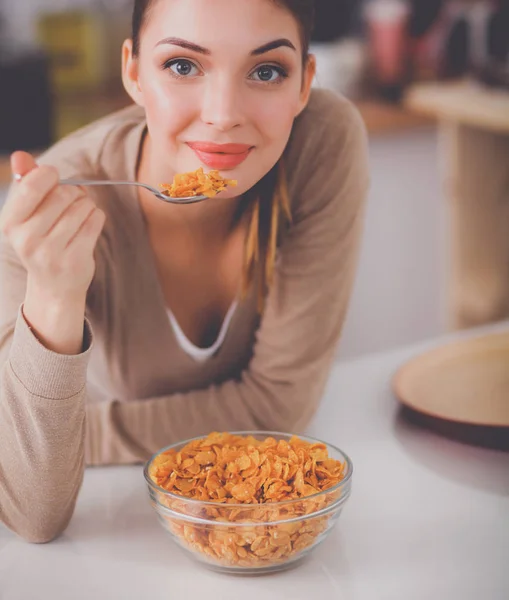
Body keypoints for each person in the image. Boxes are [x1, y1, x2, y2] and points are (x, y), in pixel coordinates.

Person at [0, 0, 369, 543]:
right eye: (182, 66)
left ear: (304, 84)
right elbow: (32, 515)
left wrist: (79, 440)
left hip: (245, 502)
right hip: (116, 519)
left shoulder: (321, 142)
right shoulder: (51, 211)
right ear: (133, 72)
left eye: (266, 71)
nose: (223, 114)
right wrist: (55, 295)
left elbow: (279, 404)